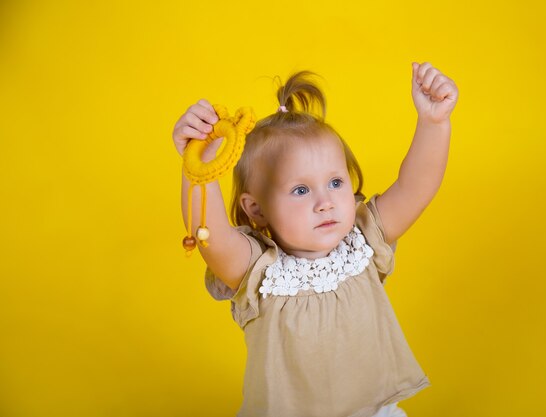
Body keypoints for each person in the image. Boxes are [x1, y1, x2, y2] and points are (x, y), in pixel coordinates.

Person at [172, 62, 458, 417]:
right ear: (256, 209)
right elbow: (210, 236)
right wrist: (199, 163)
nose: (325, 202)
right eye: (301, 189)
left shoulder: (363, 243)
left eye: (336, 182)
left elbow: (416, 187)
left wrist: (433, 123)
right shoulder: (260, 273)